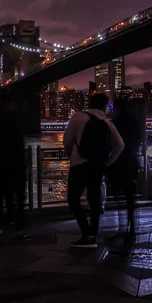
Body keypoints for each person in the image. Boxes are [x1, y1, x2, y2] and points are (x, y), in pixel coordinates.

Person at [63, 93, 124, 248]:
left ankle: (86, 232)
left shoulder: (78, 117)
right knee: (95, 200)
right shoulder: (107, 122)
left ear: (89, 103)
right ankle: (92, 234)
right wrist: (108, 162)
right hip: (98, 165)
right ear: (105, 105)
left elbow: (67, 140)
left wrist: (72, 155)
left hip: (79, 164)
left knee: (73, 199)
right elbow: (120, 145)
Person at [0, 92, 31, 242]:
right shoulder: (17, 120)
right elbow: (19, 144)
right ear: (10, 103)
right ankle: (19, 231)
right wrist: (25, 163)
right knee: (19, 199)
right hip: (15, 165)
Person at [108, 98, 142, 236]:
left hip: (118, 162)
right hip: (132, 161)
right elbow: (139, 139)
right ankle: (133, 227)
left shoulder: (114, 123)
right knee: (130, 196)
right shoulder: (135, 122)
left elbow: (111, 143)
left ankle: (122, 227)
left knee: (118, 197)